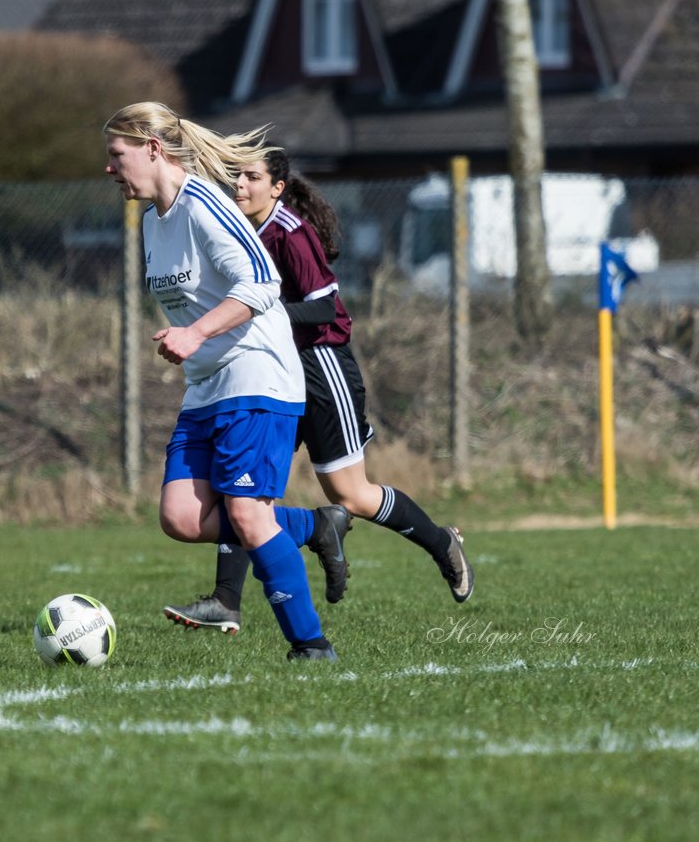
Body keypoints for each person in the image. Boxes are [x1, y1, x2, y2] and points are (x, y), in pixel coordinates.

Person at [162, 148, 473, 635]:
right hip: (265, 371)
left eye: (251, 177)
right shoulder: (235, 231)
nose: (239, 186)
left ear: (277, 188)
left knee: (351, 494)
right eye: (235, 177)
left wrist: (259, 313)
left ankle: (442, 543)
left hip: (319, 366)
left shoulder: (289, 231)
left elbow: (325, 310)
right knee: (239, 488)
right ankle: (226, 600)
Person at [103, 102, 350, 661]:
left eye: (117, 156)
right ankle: (315, 526)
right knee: (182, 517)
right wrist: (191, 342)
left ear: (153, 149)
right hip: (208, 385)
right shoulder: (152, 222)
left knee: (243, 513)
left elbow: (263, 282)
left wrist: (193, 334)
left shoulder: (203, 204)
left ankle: (310, 646)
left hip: (257, 375)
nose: (110, 169)